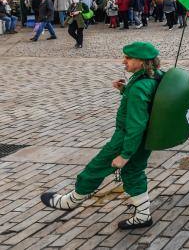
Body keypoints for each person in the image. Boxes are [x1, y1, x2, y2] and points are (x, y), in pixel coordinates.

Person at [40, 42, 163, 229]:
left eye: (128, 58)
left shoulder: (138, 88)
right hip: (145, 139)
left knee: (94, 169)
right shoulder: (152, 77)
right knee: (133, 172)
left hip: (126, 140)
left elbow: (136, 125)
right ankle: (143, 215)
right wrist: (124, 90)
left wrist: (125, 155)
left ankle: (70, 201)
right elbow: (147, 102)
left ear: (142, 61)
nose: (124, 61)